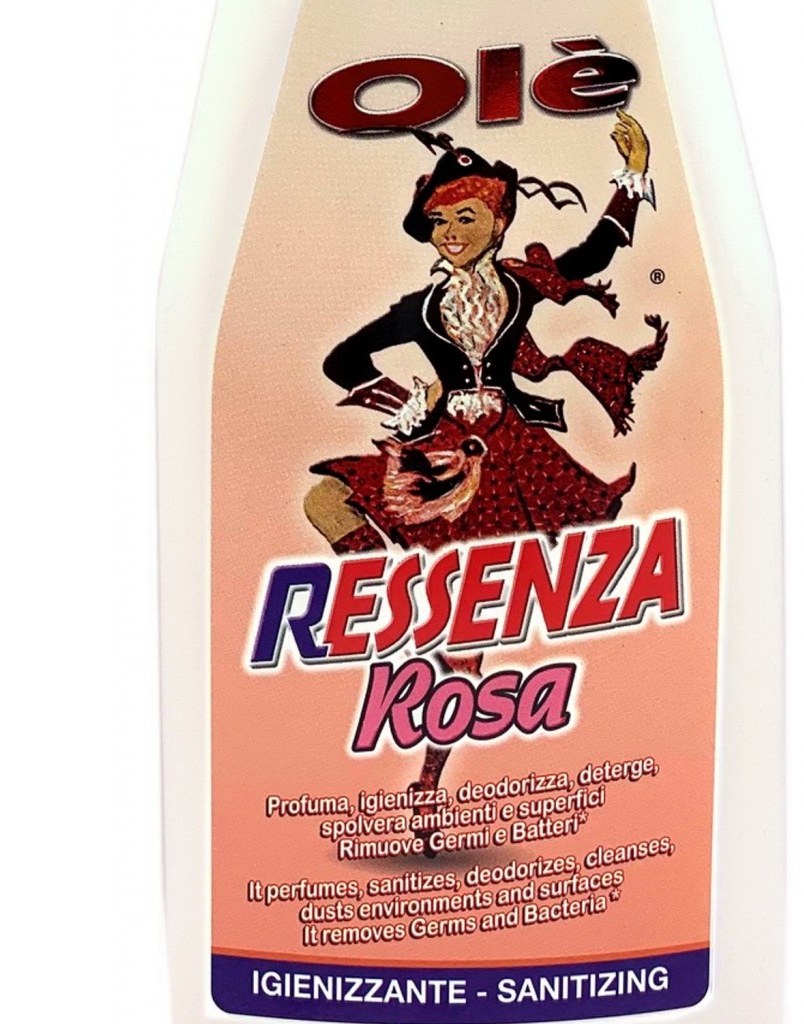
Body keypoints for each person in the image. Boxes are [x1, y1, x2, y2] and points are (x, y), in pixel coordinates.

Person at [304, 110, 669, 815]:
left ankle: (427, 783)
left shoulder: (522, 286)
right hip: (440, 448)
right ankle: (399, 605)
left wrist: (633, 174)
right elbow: (341, 360)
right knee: (326, 500)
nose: (450, 233)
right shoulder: (420, 307)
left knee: (471, 634)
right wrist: (407, 402)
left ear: (499, 224)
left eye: (465, 218)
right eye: (439, 221)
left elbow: (595, 252)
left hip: (511, 458)